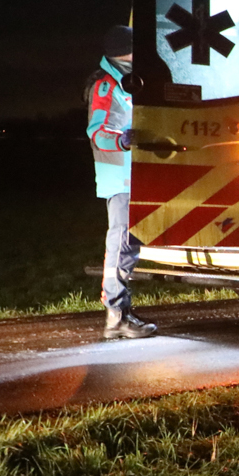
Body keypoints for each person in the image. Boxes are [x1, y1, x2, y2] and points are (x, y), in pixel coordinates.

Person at [87, 26, 157, 339]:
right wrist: (125, 141)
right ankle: (117, 315)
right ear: (123, 52)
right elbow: (98, 132)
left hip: (135, 175)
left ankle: (118, 315)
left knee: (128, 245)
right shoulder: (106, 85)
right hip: (121, 176)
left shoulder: (128, 80)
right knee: (121, 244)